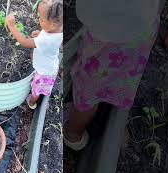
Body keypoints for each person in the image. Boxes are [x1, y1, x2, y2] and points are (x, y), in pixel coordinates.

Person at [64, 0, 162, 150]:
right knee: (124, 77)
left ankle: (73, 134)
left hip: (104, 37)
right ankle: (114, 122)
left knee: (88, 92)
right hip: (142, 29)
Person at [5, 0, 63, 109]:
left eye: (41, 19)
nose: (38, 20)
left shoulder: (45, 40)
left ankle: (31, 103)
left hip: (44, 72)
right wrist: (41, 33)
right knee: (40, 85)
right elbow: (50, 36)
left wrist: (12, 26)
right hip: (50, 65)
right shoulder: (59, 29)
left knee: (37, 90)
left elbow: (24, 42)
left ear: (53, 24)